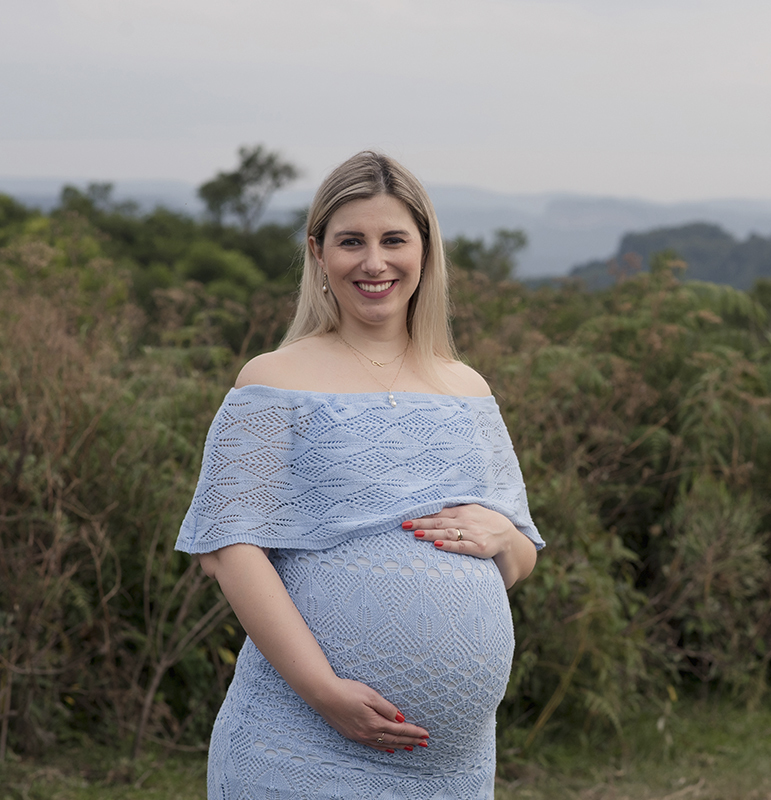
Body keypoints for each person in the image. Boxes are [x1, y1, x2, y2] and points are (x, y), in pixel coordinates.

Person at [175, 151, 544, 799]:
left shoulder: (466, 389)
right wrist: (324, 693)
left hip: (451, 772)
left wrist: (501, 538)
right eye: (352, 241)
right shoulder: (274, 381)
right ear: (318, 253)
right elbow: (231, 553)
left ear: (425, 252)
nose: (374, 262)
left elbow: (516, 561)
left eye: (393, 240)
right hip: (303, 743)